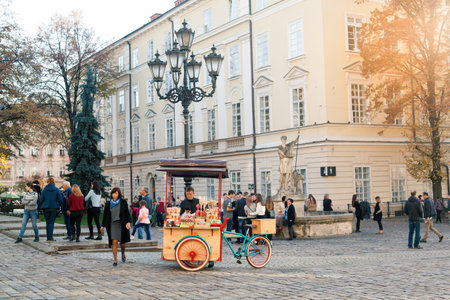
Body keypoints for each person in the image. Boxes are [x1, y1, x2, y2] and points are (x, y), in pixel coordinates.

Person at [101, 187, 131, 266]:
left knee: (122, 243)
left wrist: (128, 222)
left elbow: (127, 213)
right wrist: (102, 225)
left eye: (116, 193)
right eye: (113, 193)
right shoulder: (108, 203)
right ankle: (115, 260)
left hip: (122, 224)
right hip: (112, 224)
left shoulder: (123, 202)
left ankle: (123, 254)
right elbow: (105, 215)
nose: (114, 195)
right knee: (114, 241)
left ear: (119, 194)